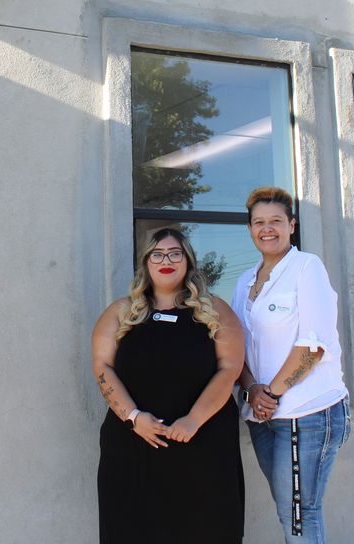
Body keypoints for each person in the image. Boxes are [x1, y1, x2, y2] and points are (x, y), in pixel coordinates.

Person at [91, 227, 245, 543]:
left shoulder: (214, 311)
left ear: (187, 261)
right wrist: (134, 418)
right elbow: (102, 368)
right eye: (157, 254)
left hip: (202, 446)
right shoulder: (120, 312)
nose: (166, 261)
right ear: (146, 262)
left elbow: (230, 369)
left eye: (175, 254)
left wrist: (193, 420)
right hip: (134, 446)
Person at [233, 187, 350, 544]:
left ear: (292, 225)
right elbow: (238, 345)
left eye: (276, 221)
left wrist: (269, 393)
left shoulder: (306, 268)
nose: (267, 229)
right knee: (289, 509)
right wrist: (253, 390)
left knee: (299, 513)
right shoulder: (244, 281)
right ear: (251, 228)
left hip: (307, 413)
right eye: (259, 222)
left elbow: (312, 347)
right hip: (263, 415)